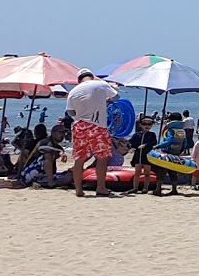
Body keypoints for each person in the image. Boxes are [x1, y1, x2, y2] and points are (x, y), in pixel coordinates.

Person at [66, 69, 120, 198]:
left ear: (79, 80)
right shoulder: (100, 84)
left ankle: (78, 189)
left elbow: (70, 112)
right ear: (91, 76)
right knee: (102, 157)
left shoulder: (73, 92)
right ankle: (101, 187)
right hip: (98, 126)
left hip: (80, 126)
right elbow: (116, 97)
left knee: (79, 159)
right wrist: (106, 101)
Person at [130, 116, 161, 195]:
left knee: (147, 173)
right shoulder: (136, 135)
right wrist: (130, 147)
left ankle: (145, 188)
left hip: (147, 156)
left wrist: (145, 145)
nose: (147, 126)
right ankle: (135, 188)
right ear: (140, 125)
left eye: (149, 124)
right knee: (137, 172)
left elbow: (154, 143)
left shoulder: (152, 135)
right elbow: (131, 143)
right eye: (144, 124)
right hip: (137, 156)